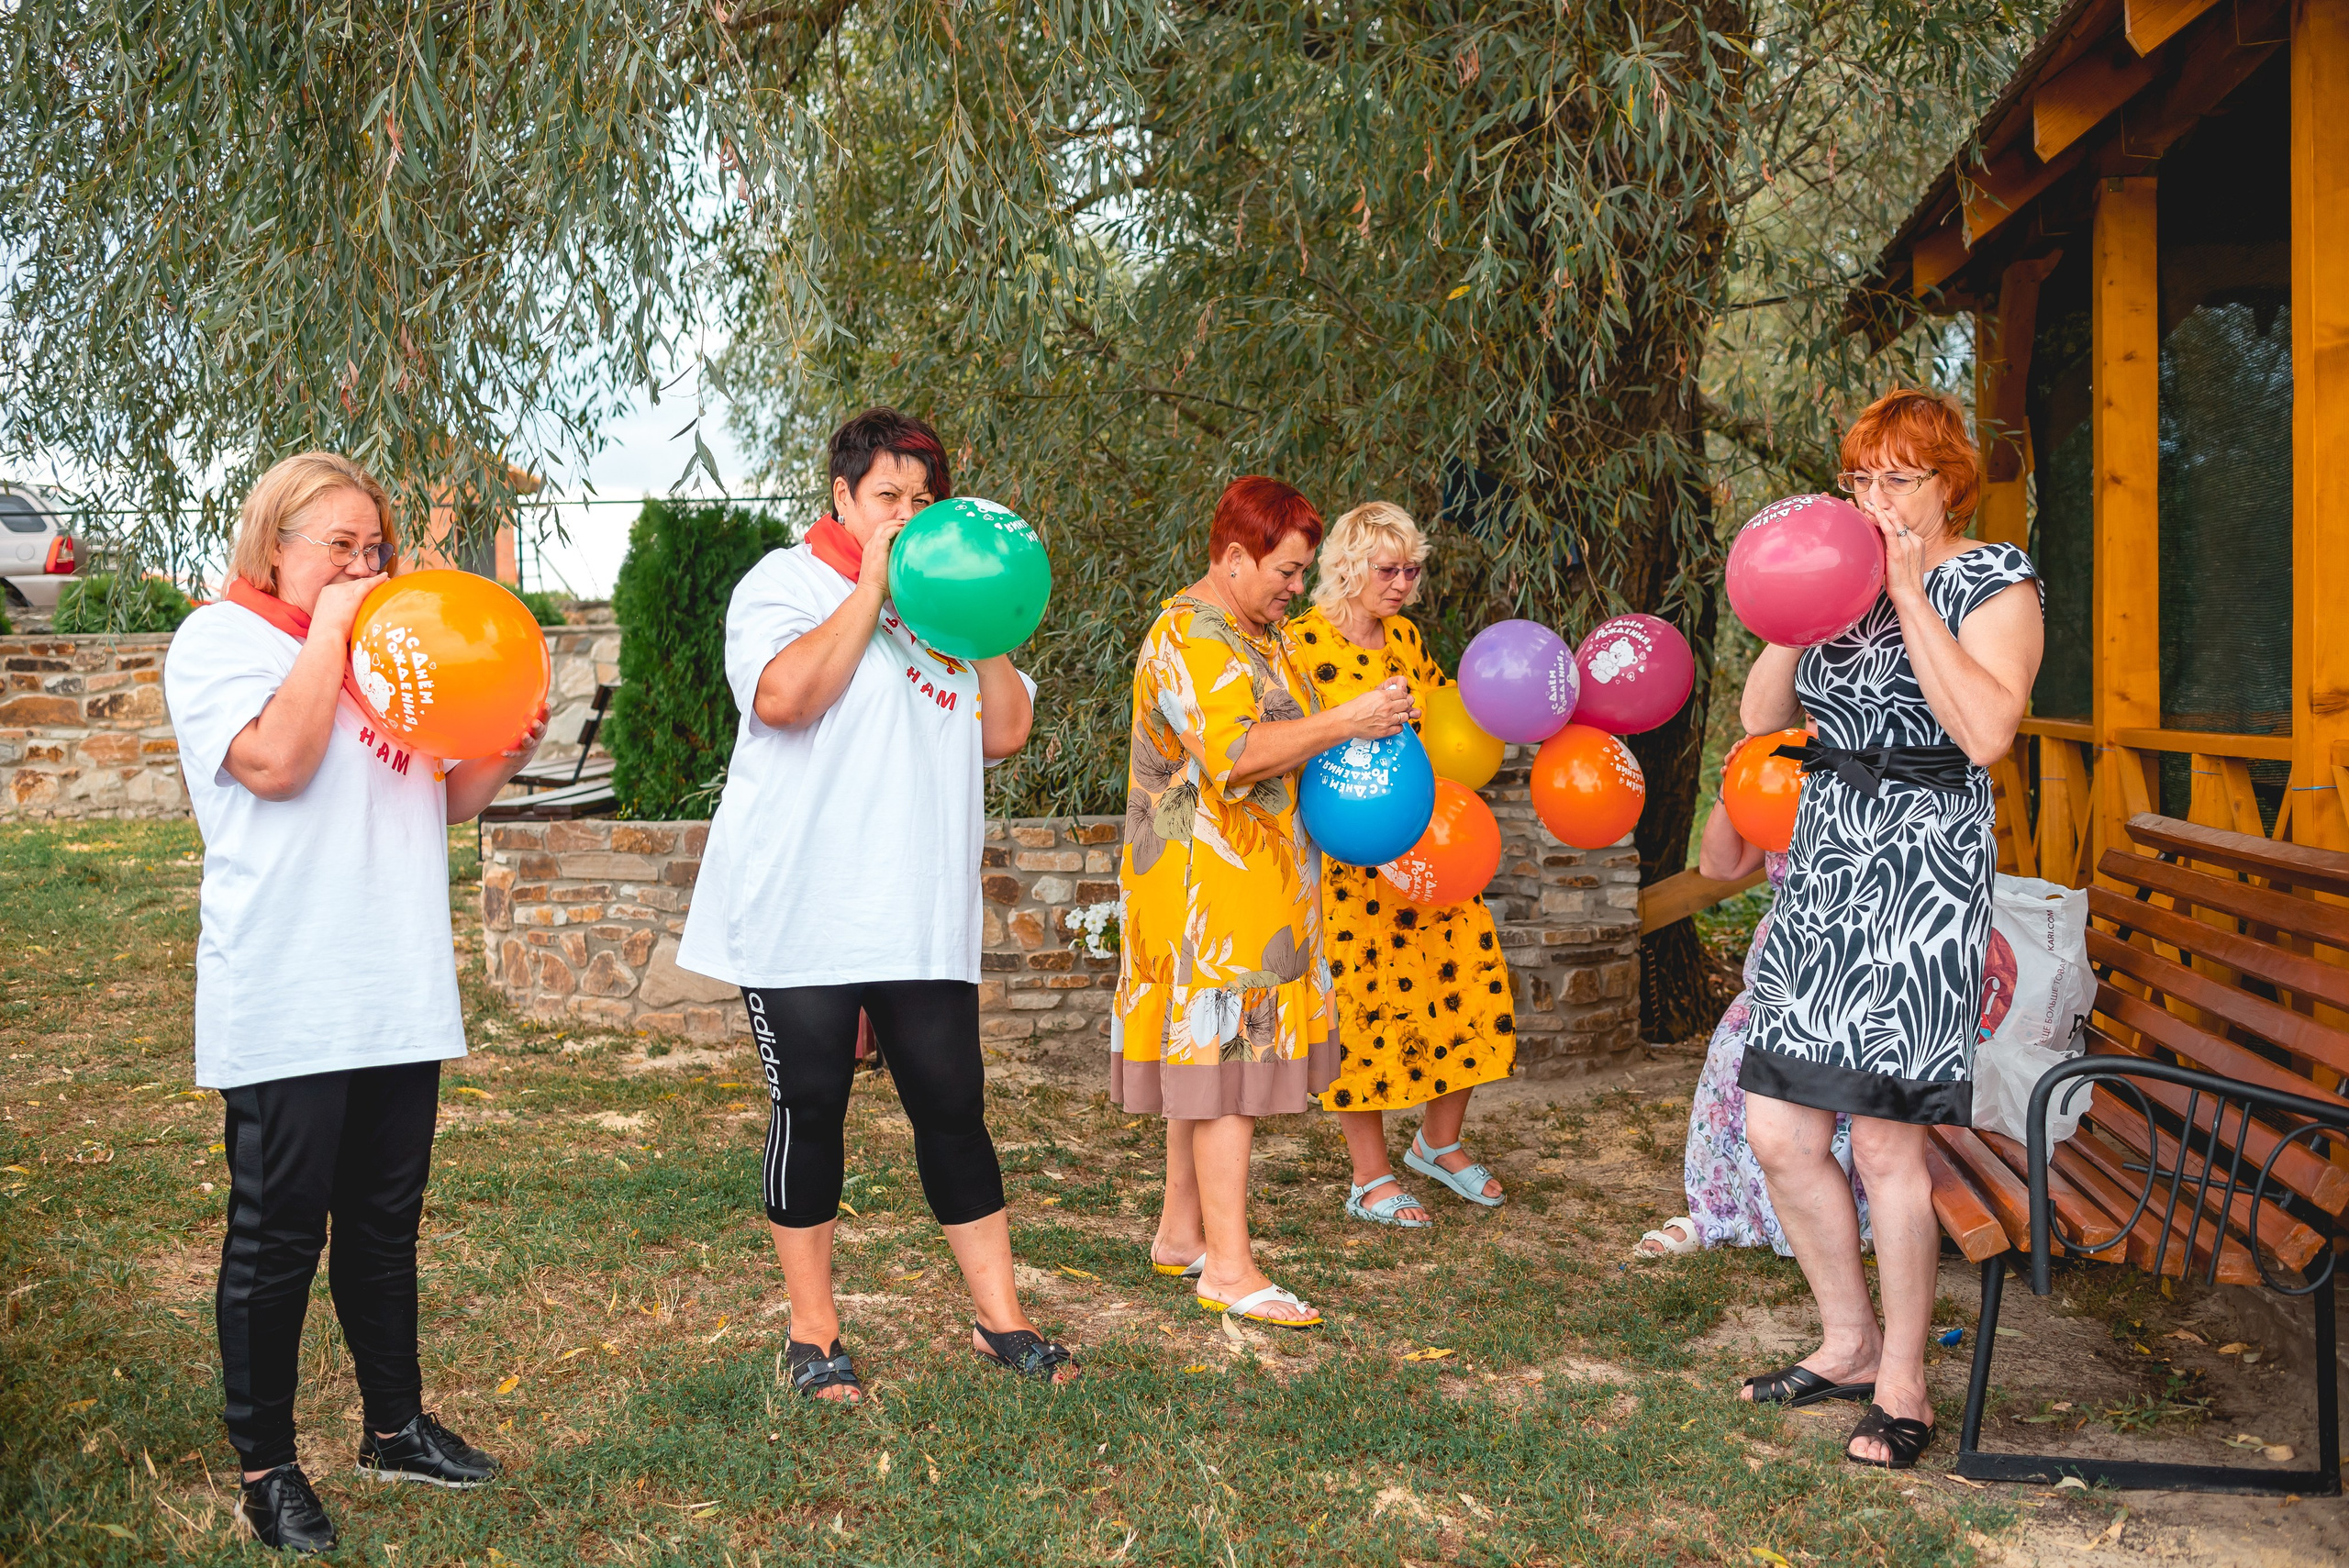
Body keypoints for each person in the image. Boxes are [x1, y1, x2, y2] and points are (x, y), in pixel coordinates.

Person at [164, 452, 548, 1554]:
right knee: (277, 1234)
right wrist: (331, 631)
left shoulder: (391, 645)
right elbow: (277, 764)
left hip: (396, 979)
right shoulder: (221, 642)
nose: (363, 565)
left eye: (373, 547)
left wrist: (503, 746)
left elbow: (440, 796)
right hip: (290, 987)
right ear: (272, 544)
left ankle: (394, 1427)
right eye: (339, 545)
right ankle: (268, 1468)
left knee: (383, 1224)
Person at [675, 406, 1074, 1401]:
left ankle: (1002, 1319)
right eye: (888, 494)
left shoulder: (948, 609)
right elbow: (782, 699)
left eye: (923, 497)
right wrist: (869, 586)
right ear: (842, 497)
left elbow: (1006, 730)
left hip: (917, 910)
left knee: (953, 1107)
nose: (907, 512)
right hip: (799, 909)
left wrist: (980, 622)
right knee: (810, 1108)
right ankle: (812, 1333)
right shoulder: (784, 582)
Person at [1734, 389, 2043, 1470]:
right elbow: (1760, 720)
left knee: (1882, 1140)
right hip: (1825, 867)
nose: (1874, 498)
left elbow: (1985, 730)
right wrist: (1795, 613)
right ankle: (1846, 1341)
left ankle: (1902, 1378)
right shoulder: (1840, 580)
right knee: (1779, 1130)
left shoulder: (1990, 578)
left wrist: (1908, 589)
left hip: (1921, 872)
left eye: (1897, 478)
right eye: (1859, 478)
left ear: (1948, 484)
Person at [1113, 476, 1417, 1327]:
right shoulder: (1190, 635)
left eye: (1303, 570)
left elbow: (1294, 738)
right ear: (1235, 558)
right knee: (1228, 1078)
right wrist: (1349, 719)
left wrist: (1367, 720)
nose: (1298, 585)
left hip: (1260, 888)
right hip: (1209, 898)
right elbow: (1236, 754)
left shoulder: (1262, 631)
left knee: (1207, 1070)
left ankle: (1181, 1234)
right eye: (1287, 570)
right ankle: (1229, 1270)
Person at [1288, 502, 1513, 1228]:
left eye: (1413, 569)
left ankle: (1437, 1143)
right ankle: (1370, 1176)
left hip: (1427, 852)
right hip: (1352, 862)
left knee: (1470, 982)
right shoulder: (1301, 643)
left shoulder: (1407, 637)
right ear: (1348, 566)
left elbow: (1441, 729)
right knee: (1364, 1010)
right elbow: (1277, 745)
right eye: (1389, 569)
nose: (1404, 583)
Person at [1633, 782, 1869, 1261]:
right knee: (1731, 1061)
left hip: (1854, 968)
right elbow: (1719, 866)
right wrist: (1733, 788)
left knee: (1831, 1097)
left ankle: (1841, 1219)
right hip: (1778, 973)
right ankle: (1725, 1212)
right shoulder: (1786, 776)